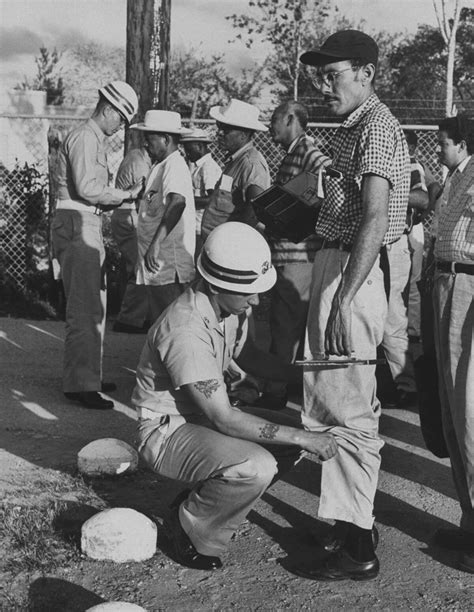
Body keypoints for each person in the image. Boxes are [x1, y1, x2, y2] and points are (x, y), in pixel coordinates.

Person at [132, 222, 338, 570]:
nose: (256, 300)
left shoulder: (228, 306)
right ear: (214, 285)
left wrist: (310, 376)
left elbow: (251, 356)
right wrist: (306, 437)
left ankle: (204, 498)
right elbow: (224, 418)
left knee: (292, 439)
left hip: (200, 418)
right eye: (248, 293)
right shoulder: (185, 329)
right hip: (165, 431)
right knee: (256, 465)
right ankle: (189, 527)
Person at [294, 30, 410, 580]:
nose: (323, 84)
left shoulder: (379, 127)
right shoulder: (353, 127)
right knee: (327, 397)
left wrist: (342, 300)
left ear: (365, 74)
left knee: (349, 410)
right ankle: (348, 521)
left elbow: (373, 218)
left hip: (355, 275)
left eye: (333, 73)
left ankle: (359, 547)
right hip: (338, 265)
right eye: (319, 74)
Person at [51, 80, 141, 410]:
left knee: (94, 307)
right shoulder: (86, 138)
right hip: (78, 224)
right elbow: (89, 188)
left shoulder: (91, 138)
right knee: (85, 309)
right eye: (120, 119)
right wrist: (127, 196)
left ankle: (87, 375)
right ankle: (80, 385)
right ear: (108, 110)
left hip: (85, 223)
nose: (120, 128)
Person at [257, 101, 331, 410]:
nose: (271, 126)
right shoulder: (292, 153)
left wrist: (299, 215)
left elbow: (326, 176)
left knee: (285, 327)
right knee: (287, 326)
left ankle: (275, 392)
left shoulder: (308, 151)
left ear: (291, 119)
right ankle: (287, 386)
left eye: (275, 119)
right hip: (288, 255)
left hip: (298, 256)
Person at [431, 115, 474, 574]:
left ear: (461, 143)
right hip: (445, 283)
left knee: (469, 409)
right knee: (450, 410)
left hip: (469, 287)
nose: (438, 149)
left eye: (443, 143)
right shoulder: (454, 178)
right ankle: (469, 519)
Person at [131, 110, 196, 322]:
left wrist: (156, 244)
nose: (146, 145)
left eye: (150, 139)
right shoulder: (162, 165)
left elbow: (177, 203)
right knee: (161, 321)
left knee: (170, 323)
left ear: (166, 139)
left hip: (167, 262)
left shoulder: (174, 165)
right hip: (159, 264)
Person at [201, 99, 270, 240]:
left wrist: (236, 241)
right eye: (219, 128)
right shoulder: (235, 161)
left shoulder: (251, 163)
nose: (219, 133)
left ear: (243, 135)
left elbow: (256, 209)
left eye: (226, 130)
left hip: (228, 247)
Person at [111, 145, 152, 334]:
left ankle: (133, 315)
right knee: (139, 268)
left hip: (125, 214)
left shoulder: (136, 157)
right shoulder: (139, 163)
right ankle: (129, 318)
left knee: (134, 268)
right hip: (129, 215)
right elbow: (145, 194)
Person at [180, 128, 222, 256]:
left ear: (199, 146)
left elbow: (212, 199)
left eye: (189, 149)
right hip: (194, 226)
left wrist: (185, 199)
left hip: (200, 228)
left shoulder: (208, 167)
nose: (187, 154)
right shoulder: (197, 167)